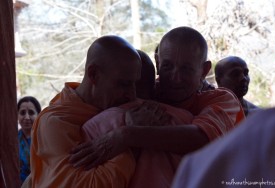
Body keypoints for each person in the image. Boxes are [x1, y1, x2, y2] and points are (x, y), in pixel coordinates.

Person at [69, 27, 245, 187]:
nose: (175, 78)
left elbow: (202, 139)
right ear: (157, 61)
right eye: (167, 66)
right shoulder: (141, 92)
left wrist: (125, 135)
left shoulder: (221, 99)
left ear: (204, 70)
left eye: (186, 69)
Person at [26, 35, 142, 187]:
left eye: (135, 84)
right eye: (123, 84)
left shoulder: (128, 108)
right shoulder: (56, 122)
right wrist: (129, 141)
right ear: (93, 74)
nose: (132, 95)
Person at [171, 101, 275, 188]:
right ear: (219, 79)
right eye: (234, 74)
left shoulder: (197, 165)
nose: (243, 79)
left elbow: (199, 137)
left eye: (245, 73)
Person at [17, 96, 41, 185]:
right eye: (22, 113)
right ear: (17, 115)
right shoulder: (11, 141)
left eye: (31, 112)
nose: (27, 117)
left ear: (39, 115)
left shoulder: (44, 139)